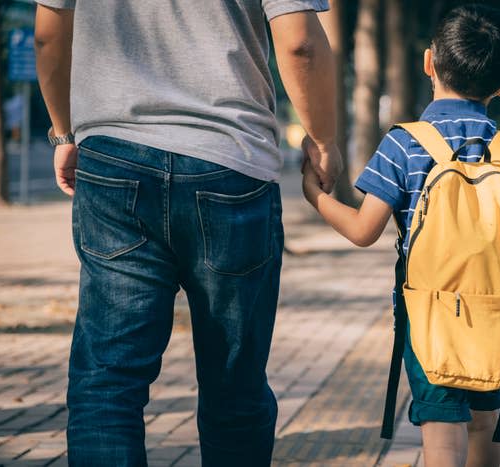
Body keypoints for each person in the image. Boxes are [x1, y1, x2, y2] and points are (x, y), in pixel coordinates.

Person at [33, 1, 341, 465]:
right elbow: (300, 43)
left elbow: (47, 33)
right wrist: (323, 141)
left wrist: (63, 132)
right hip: (230, 161)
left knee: (108, 382)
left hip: (114, 157)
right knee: (234, 386)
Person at [302, 5, 500, 466]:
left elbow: (363, 230)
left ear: (428, 63)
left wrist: (315, 197)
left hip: (429, 319)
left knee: (443, 437)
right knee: (484, 429)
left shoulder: (405, 142)